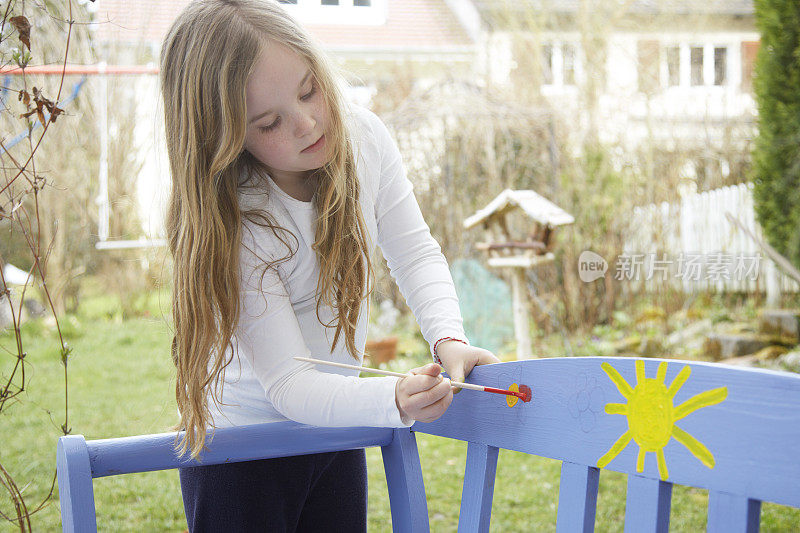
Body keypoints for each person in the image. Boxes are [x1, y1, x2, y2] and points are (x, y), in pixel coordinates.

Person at [160, 0, 499, 530]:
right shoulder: (240, 218)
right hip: (241, 454)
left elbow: (412, 250)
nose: (307, 123)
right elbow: (293, 386)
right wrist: (393, 396)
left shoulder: (365, 139)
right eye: (270, 122)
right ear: (224, 139)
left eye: (308, 89)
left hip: (339, 425)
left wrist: (448, 339)